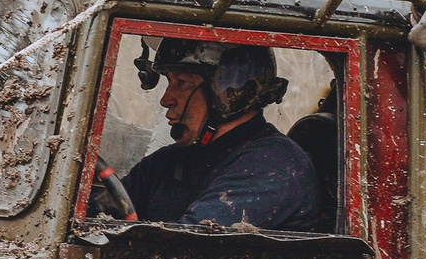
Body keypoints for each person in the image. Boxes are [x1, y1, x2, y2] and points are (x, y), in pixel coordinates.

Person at [117, 39, 323, 230]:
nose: (166, 99)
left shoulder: (273, 166)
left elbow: (186, 246)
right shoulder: (168, 162)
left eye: (183, 83)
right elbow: (108, 207)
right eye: (169, 82)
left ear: (229, 91)